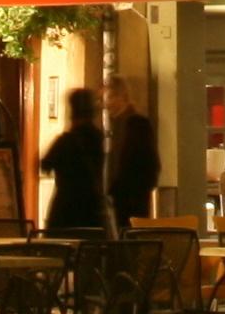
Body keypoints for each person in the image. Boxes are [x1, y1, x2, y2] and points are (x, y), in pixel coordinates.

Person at [39, 86, 109, 233]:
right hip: (91, 209)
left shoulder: (66, 141)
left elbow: (45, 164)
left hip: (65, 208)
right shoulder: (98, 139)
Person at [105, 77, 162, 224]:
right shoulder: (118, 124)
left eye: (110, 97)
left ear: (121, 96)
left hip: (131, 197)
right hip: (125, 195)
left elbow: (147, 162)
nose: (107, 104)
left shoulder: (134, 124)